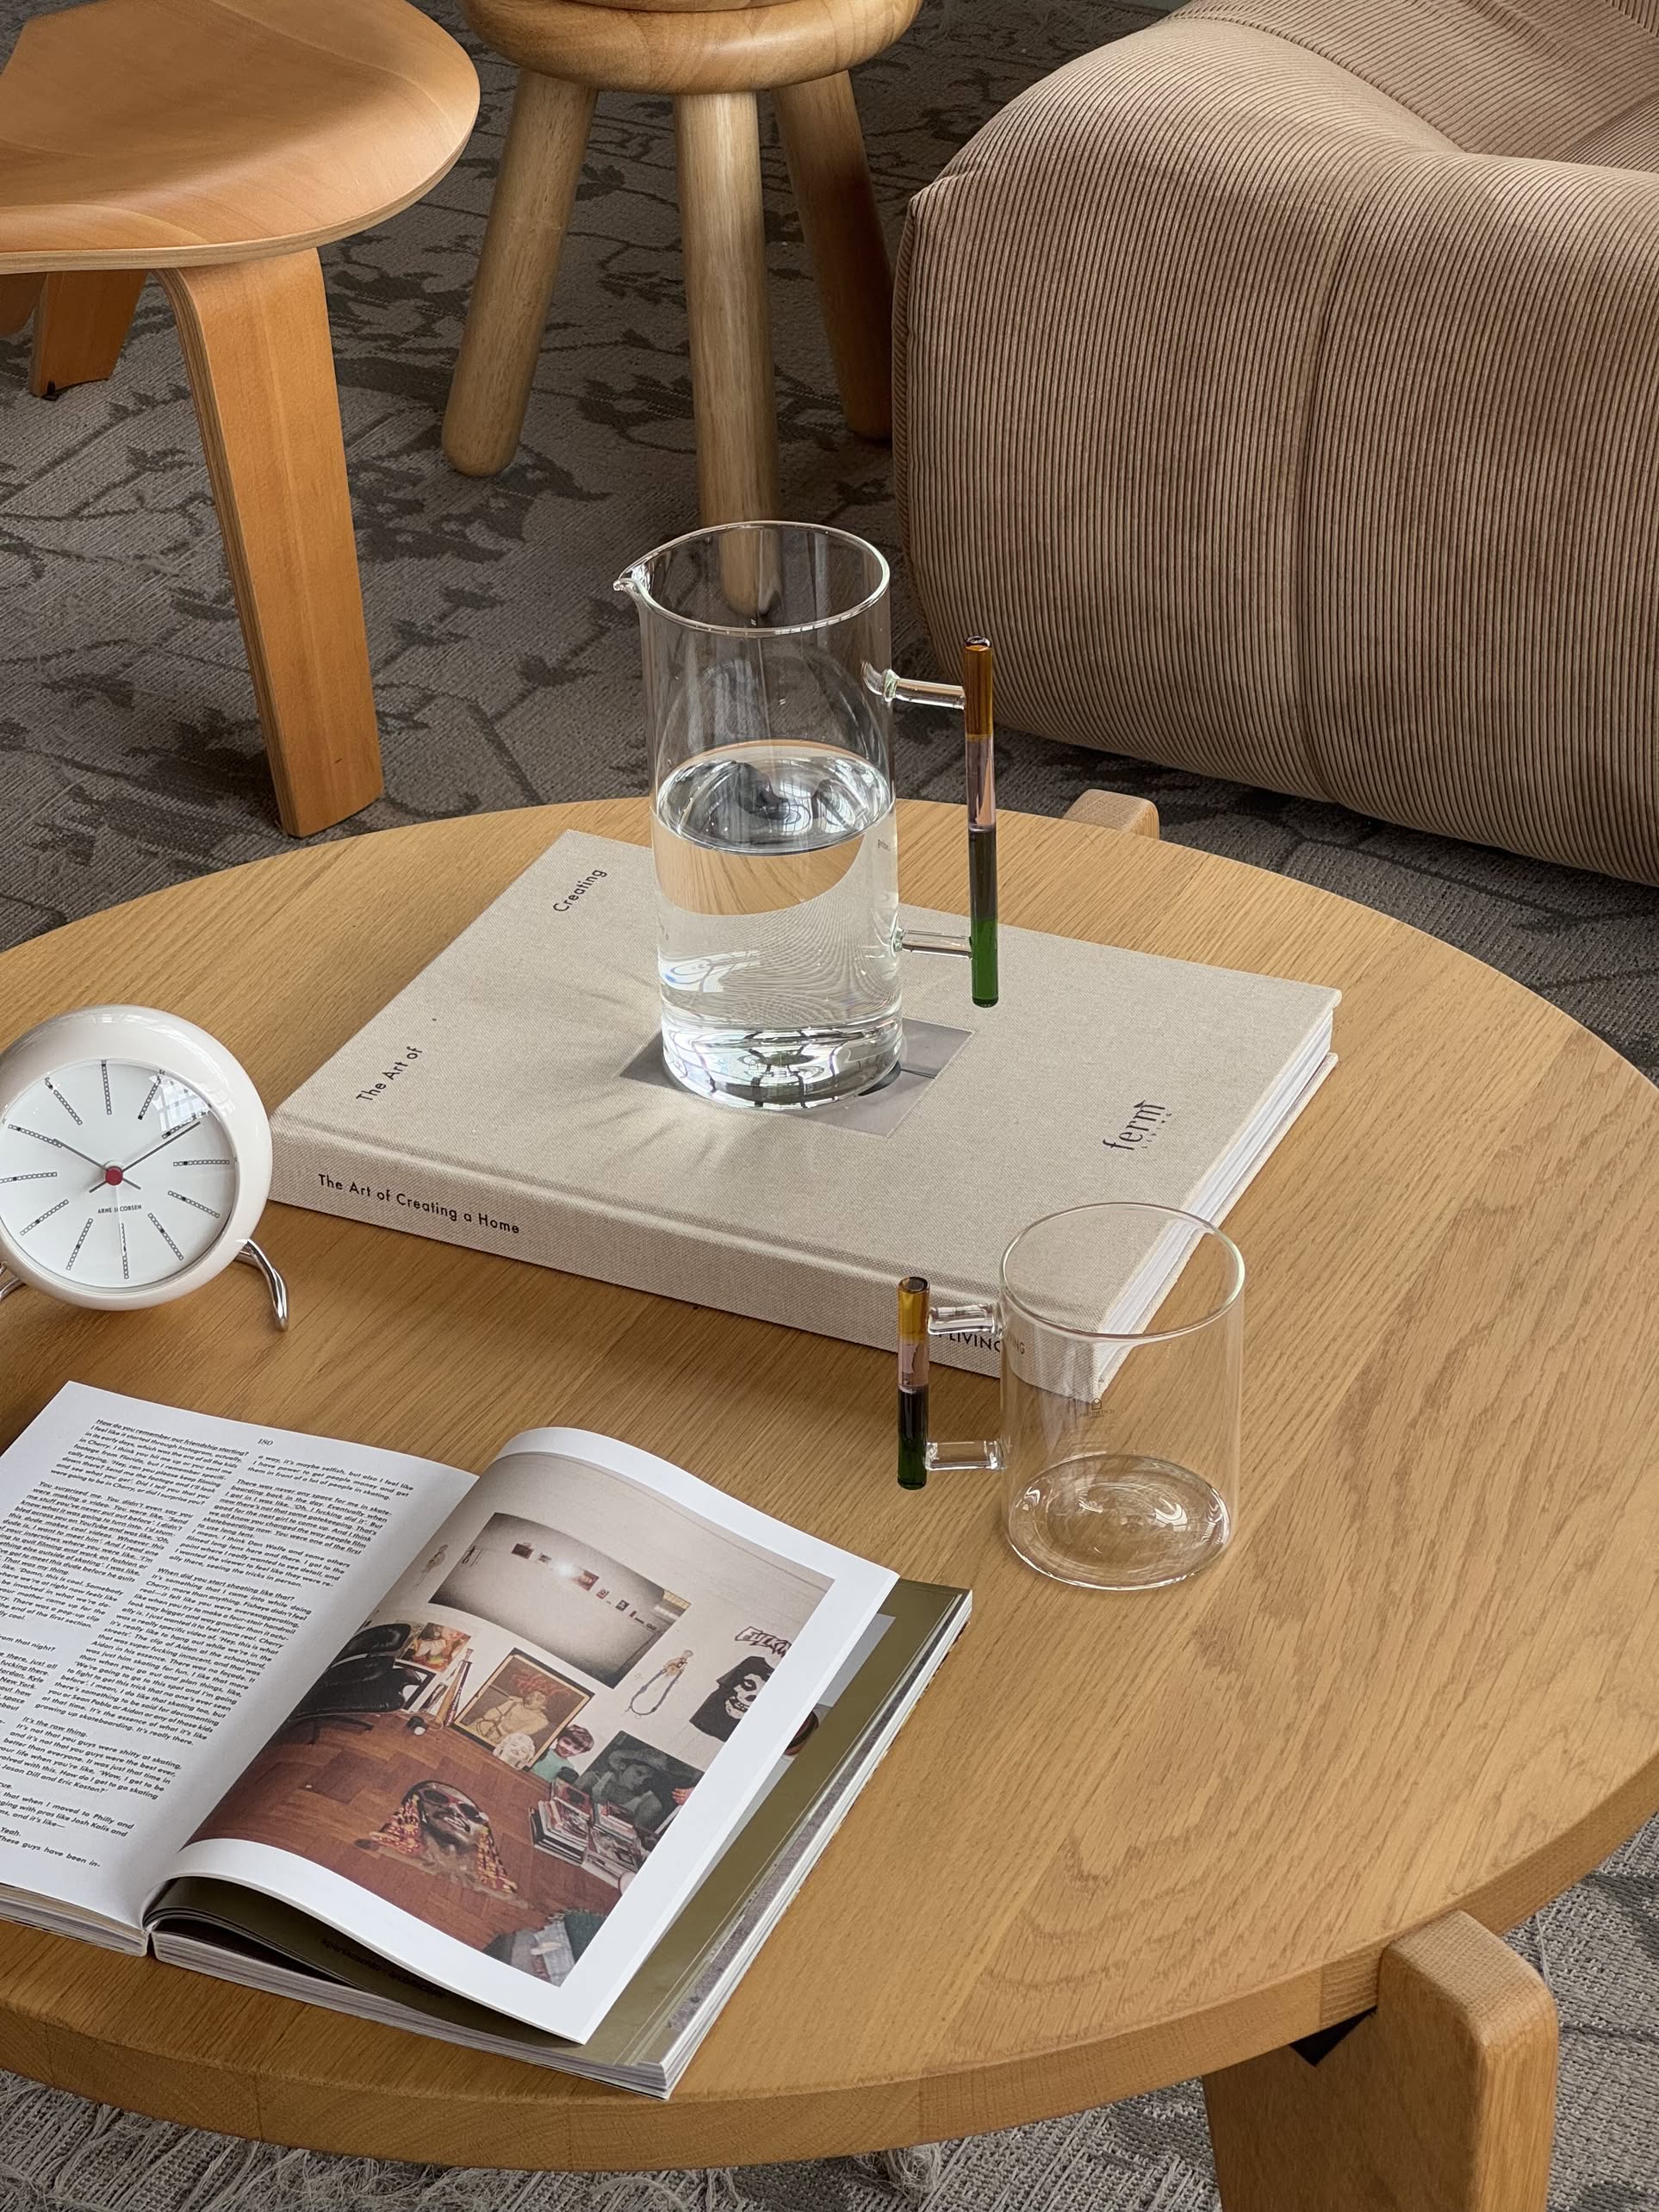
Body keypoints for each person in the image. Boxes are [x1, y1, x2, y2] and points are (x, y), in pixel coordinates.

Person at [530, 1721, 595, 1786]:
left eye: (576, 1748)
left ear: (581, 1752)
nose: (568, 1749)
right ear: (559, 1738)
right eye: (566, 1742)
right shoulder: (542, 1750)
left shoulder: (569, 1768)